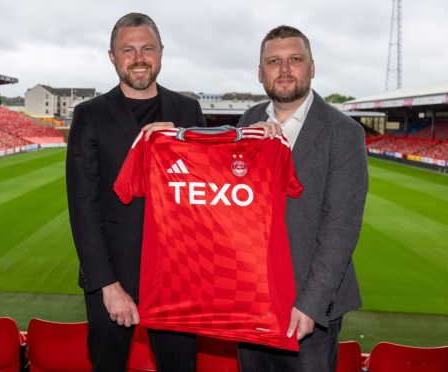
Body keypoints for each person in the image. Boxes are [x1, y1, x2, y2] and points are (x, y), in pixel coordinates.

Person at [66, 12, 205, 372]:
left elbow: (204, 193)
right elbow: (83, 207)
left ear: (161, 52)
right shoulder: (89, 115)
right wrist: (107, 285)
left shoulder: (187, 109)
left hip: (176, 279)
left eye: (147, 48)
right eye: (128, 50)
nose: (139, 58)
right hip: (111, 276)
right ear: (112, 57)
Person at [236, 25, 369, 371]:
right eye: (273, 61)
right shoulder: (248, 122)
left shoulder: (344, 133)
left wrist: (310, 304)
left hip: (307, 309)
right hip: (251, 303)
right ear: (259, 72)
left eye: (294, 60)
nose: (283, 70)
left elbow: (340, 228)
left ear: (312, 68)